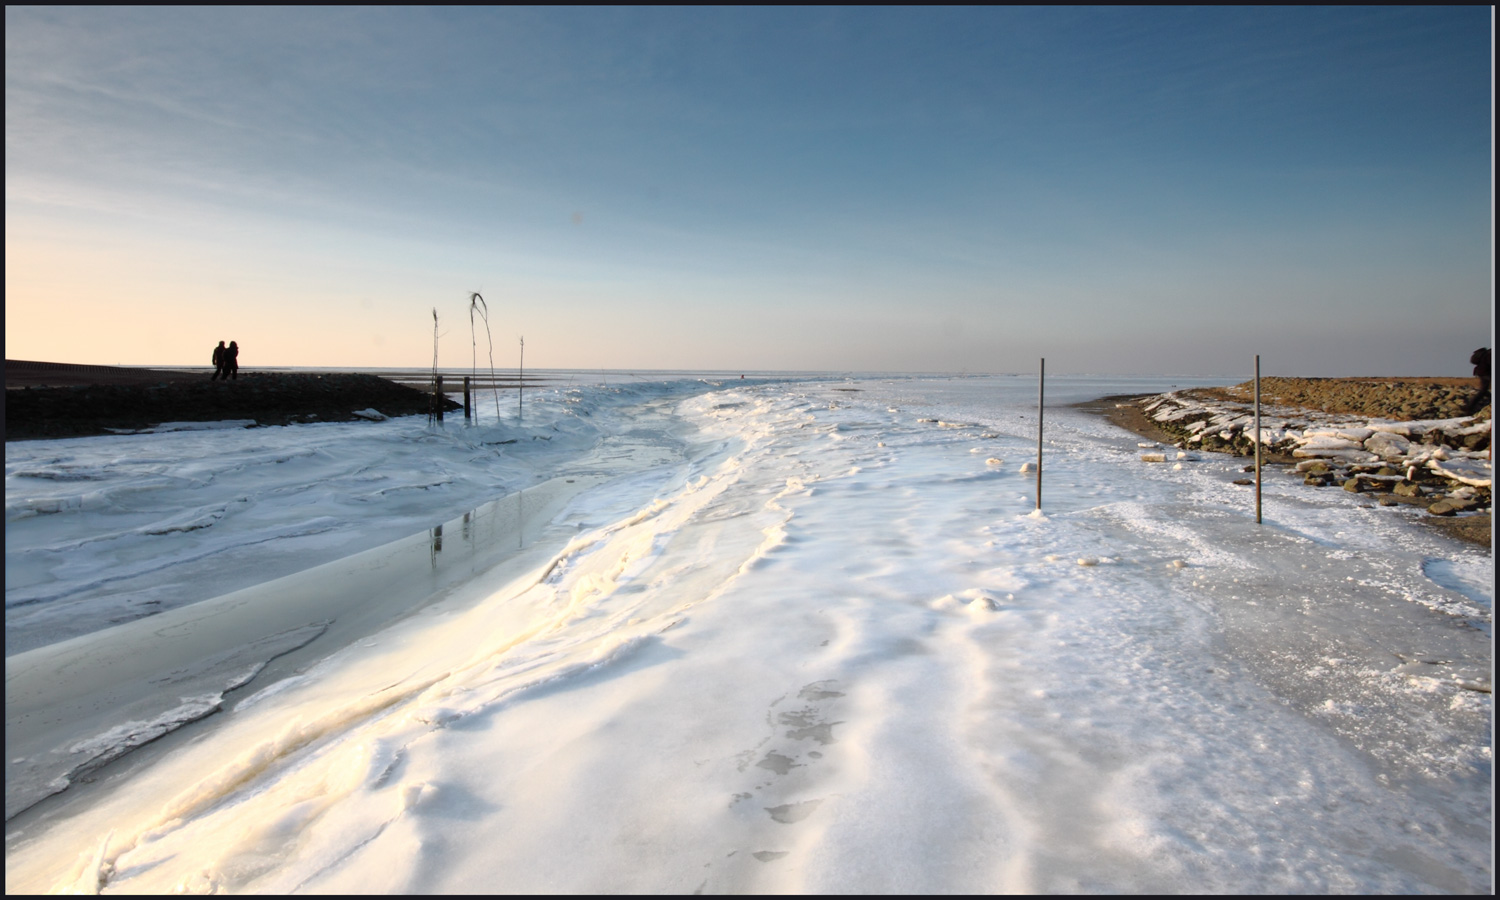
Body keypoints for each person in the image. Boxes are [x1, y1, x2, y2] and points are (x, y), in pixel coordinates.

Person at [1465, 347, 1490, 415]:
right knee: (1483, 391)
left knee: (1483, 390)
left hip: (1482, 372)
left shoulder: (1487, 353)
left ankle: (1470, 407)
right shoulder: (1490, 354)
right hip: (1486, 373)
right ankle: (1469, 408)